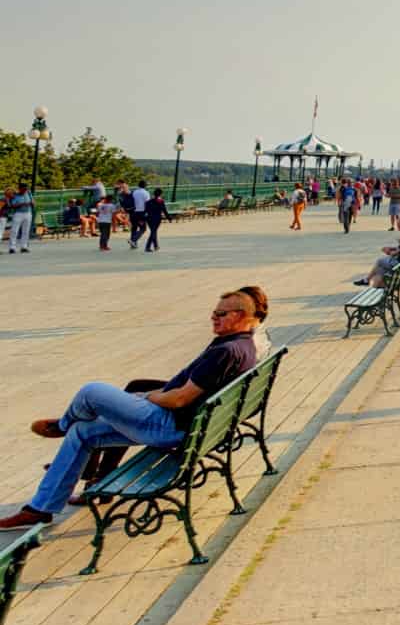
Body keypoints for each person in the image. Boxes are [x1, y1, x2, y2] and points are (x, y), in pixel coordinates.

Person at [0, 288, 263, 530]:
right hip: (187, 425)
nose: (213, 318)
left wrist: (148, 397)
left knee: (91, 392)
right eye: (213, 313)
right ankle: (40, 508)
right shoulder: (241, 344)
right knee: (82, 431)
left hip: (168, 424)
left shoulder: (227, 351)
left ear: (239, 316)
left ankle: (61, 425)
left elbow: (179, 400)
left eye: (220, 314)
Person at [356, 219, 400, 287]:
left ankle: (369, 282)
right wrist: (391, 249)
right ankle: (375, 285)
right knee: (380, 270)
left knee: (380, 262)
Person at [5, 183, 32, 255]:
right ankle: (12, 247)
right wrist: (22, 204)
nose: (25, 190)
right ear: (20, 189)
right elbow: (12, 205)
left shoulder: (28, 193)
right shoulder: (15, 195)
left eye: (26, 189)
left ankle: (24, 247)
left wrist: (32, 203)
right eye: (24, 189)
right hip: (18, 214)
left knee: (26, 231)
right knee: (14, 231)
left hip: (28, 213)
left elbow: (32, 201)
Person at [127, 182, 151, 250]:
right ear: (145, 186)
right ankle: (133, 240)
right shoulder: (146, 193)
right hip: (141, 212)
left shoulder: (134, 192)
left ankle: (133, 244)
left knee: (134, 227)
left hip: (133, 212)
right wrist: (147, 213)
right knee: (143, 228)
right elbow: (147, 203)